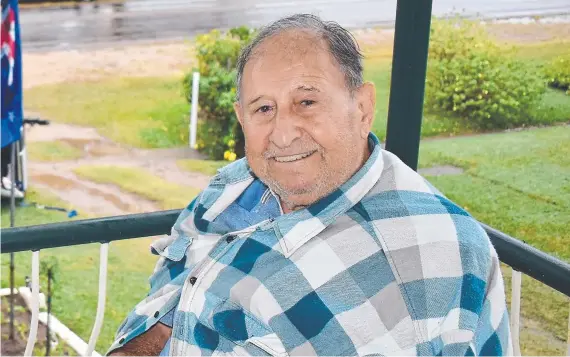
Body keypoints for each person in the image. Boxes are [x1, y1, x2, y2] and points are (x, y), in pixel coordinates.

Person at [107, 14, 512, 356]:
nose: (282, 134)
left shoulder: (419, 267)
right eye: (264, 108)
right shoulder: (237, 186)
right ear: (241, 118)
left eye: (307, 101)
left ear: (363, 108)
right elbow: (174, 302)